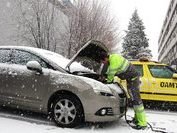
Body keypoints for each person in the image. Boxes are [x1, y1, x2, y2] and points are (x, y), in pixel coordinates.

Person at [100, 52, 147, 130]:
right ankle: (137, 119)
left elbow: (111, 76)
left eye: (103, 62)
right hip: (131, 79)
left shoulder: (113, 62)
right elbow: (113, 71)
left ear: (105, 58)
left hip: (133, 80)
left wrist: (107, 81)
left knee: (136, 101)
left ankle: (142, 123)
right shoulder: (113, 57)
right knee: (134, 100)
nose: (103, 63)